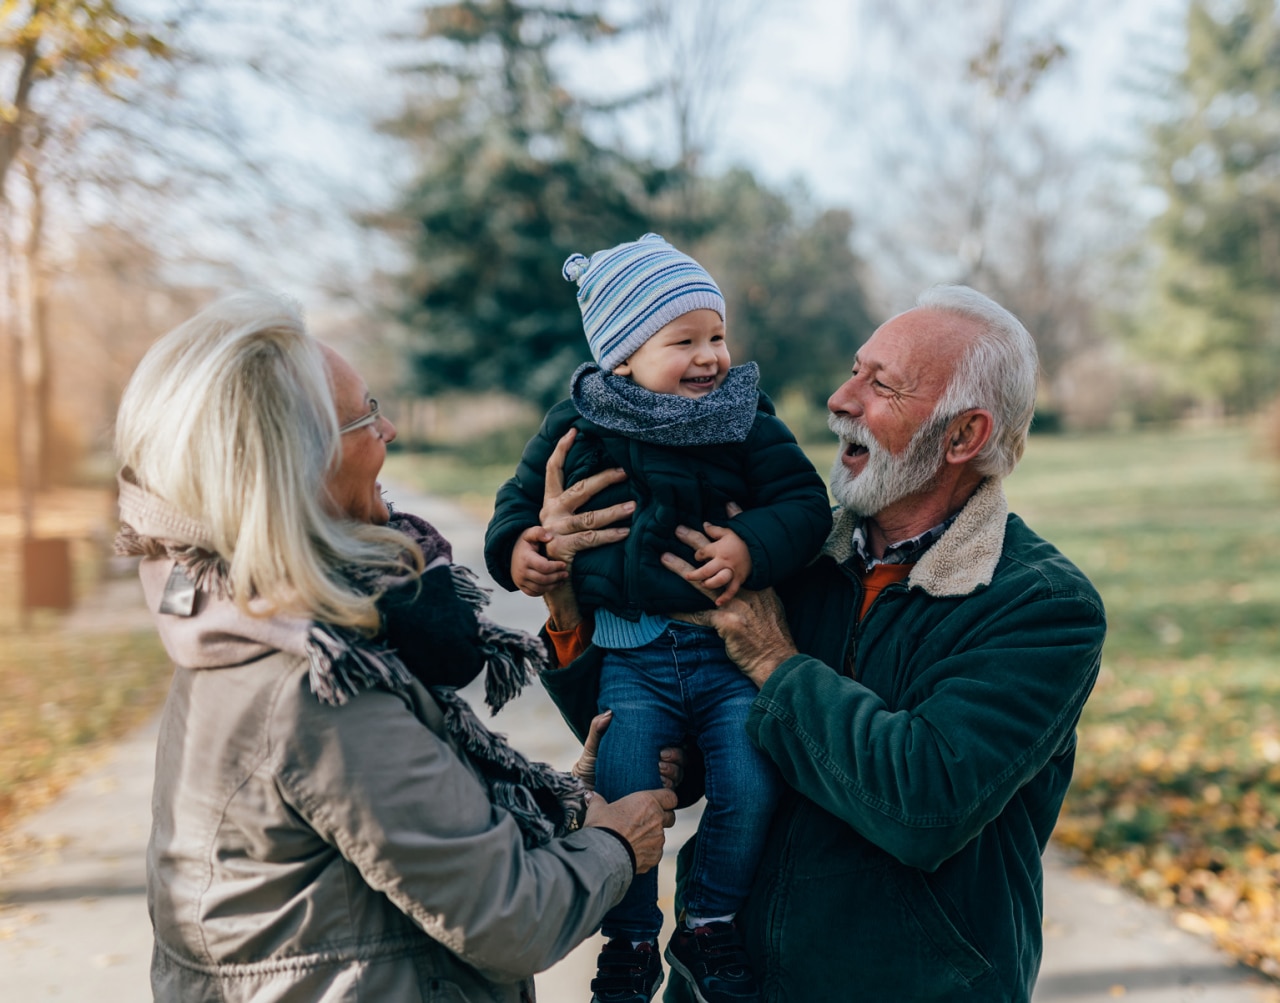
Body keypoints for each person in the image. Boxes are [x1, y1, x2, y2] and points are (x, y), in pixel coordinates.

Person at [527, 284, 1107, 1002]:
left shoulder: (1040, 605)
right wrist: (567, 594)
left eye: (880, 385)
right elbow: (664, 732)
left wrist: (774, 661)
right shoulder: (784, 552)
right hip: (719, 985)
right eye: (855, 370)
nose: (840, 398)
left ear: (963, 437)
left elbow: (924, 802)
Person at [113, 289, 678, 1003]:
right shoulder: (317, 689)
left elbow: (415, 843)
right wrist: (617, 844)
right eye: (364, 417)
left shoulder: (244, 626)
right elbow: (511, 916)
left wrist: (564, 803)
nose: (391, 429)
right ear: (300, 463)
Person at [484, 233, 832, 1003]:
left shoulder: (746, 418)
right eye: (684, 340)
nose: (711, 356)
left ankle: (708, 918)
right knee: (625, 787)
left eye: (717, 335)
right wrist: (525, 552)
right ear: (622, 356)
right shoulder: (577, 425)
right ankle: (632, 935)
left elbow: (805, 505)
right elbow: (513, 509)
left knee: (750, 779)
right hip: (631, 657)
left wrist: (748, 544)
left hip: (726, 657)